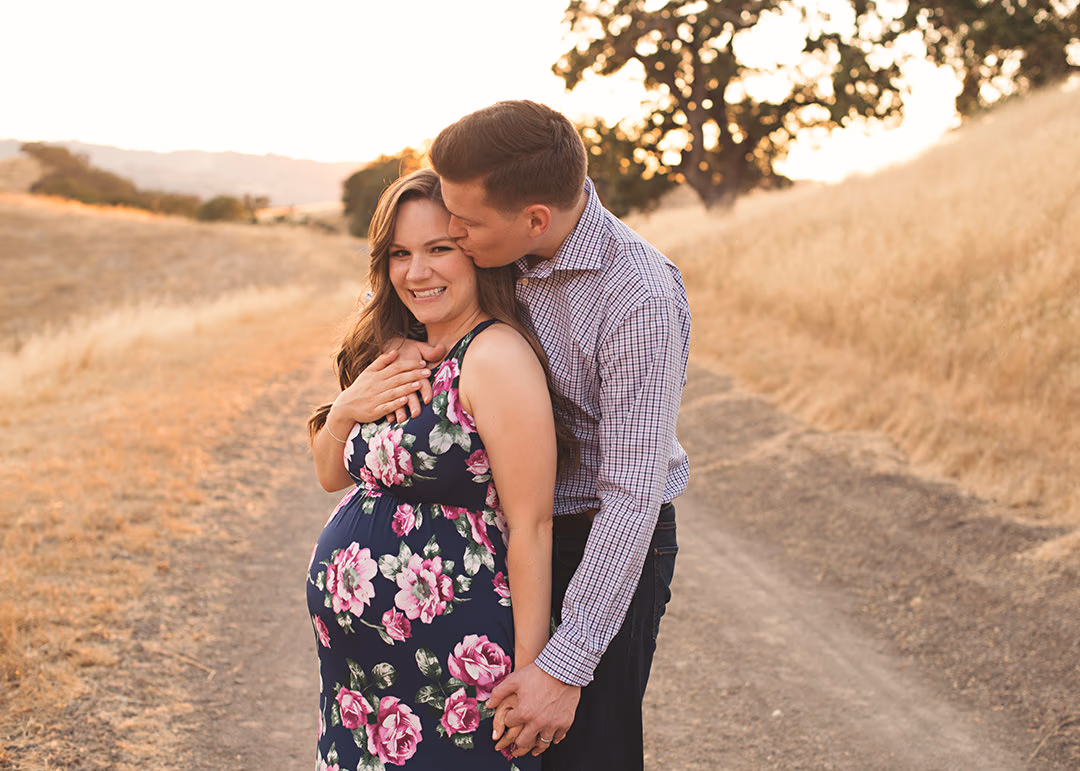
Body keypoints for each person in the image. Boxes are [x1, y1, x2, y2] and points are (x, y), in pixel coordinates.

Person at [425, 100, 692, 769]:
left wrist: (567, 662)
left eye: (467, 219)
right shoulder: (497, 249)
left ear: (535, 220)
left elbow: (632, 491)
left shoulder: (640, 294)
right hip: (501, 537)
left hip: (596, 536)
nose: (452, 231)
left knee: (584, 750)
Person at [305, 168, 575, 770]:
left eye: (439, 249)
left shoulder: (495, 358)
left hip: (452, 666)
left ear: (475, 253)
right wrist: (347, 408)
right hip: (358, 682)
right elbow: (331, 474)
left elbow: (531, 527)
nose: (416, 272)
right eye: (400, 253)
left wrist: (532, 675)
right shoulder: (396, 354)